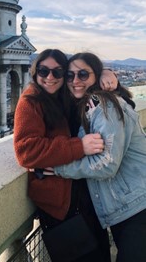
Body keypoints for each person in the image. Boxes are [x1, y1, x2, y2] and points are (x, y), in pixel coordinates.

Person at [13, 49, 116, 262]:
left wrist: (106, 72)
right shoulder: (30, 101)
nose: (50, 77)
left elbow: (87, 79)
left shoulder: (66, 95)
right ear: (35, 72)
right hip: (60, 205)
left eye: (58, 73)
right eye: (43, 71)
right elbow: (26, 151)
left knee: (100, 253)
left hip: (83, 194)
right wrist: (78, 147)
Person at [53, 52, 146, 262]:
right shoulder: (89, 106)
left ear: (95, 77)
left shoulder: (104, 105)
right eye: (70, 76)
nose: (75, 81)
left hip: (138, 206)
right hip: (128, 205)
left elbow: (107, 165)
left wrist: (59, 168)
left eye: (83, 74)